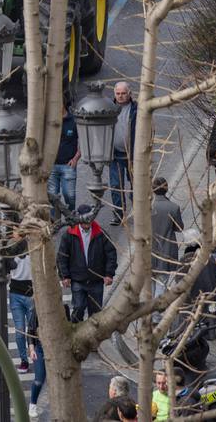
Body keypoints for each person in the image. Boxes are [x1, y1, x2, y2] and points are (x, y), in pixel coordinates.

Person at [57, 208, 117, 320]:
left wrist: (109, 274)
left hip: (96, 280)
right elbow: (62, 256)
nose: (87, 222)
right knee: (78, 307)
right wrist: (65, 276)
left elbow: (111, 254)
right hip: (78, 279)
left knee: (95, 314)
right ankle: (76, 334)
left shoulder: (101, 233)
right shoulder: (69, 235)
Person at [150, 177, 183, 296]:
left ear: (153, 189)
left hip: (148, 251)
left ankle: (149, 313)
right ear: (166, 188)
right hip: (166, 250)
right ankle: (157, 314)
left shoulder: (147, 207)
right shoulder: (173, 207)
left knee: (149, 288)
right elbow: (179, 228)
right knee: (161, 286)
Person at [110, 81, 137, 223]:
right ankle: (119, 215)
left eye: (123, 93)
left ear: (129, 93)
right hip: (115, 155)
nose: (120, 96)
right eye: (118, 93)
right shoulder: (109, 108)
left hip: (133, 155)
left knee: (136, 184)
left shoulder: (136, 110)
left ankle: (138, 212)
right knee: (115, 185)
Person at [48, 105, 80, 212]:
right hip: (51, 165)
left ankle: (71, 220)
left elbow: (84, 140)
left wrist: (76, 158)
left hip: (68, 165)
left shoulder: (74, 121)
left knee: (69, 195)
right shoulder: (48, 121)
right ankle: (54, 223)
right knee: (52, 197)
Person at [6, 247, 33, 372]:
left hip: (30, 294)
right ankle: (24, 359)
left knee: (32, 329)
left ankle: (33, 356)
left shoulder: (33, 250)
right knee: (20, 330)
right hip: (16, 294)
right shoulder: (11, 252)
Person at [25, 305, 45, 418]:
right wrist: (32, 349)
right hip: (40, 348)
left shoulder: (64, 308)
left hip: (56, 350)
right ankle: (33, 404)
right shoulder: (37, 310)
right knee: (39, 380)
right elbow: (31, 330)